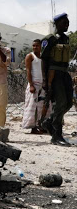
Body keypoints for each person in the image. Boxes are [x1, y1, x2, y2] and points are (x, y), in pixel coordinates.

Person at [41, 13, 73, 146]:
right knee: (60, 103)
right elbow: (44, 59)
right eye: (64, 22)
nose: (66, 25)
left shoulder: (66, 39)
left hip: (65, 73)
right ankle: (56, 135)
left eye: (68, 22)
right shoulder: (50, 39)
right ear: (56, 24)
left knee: (69, 103)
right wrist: (45, 80)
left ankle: (49, 122)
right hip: (54, 74)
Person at [22, 39, 50, 133]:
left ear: (40, 46)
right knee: (32, 107)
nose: (35, 47)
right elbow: (28, 71)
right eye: (33, 45)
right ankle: (33, 128)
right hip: (34, 84)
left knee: (41, 106)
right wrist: (31, 85)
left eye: (37, 45)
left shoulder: (42, 57)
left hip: (42, 85)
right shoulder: (30, 56)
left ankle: (40, 125)